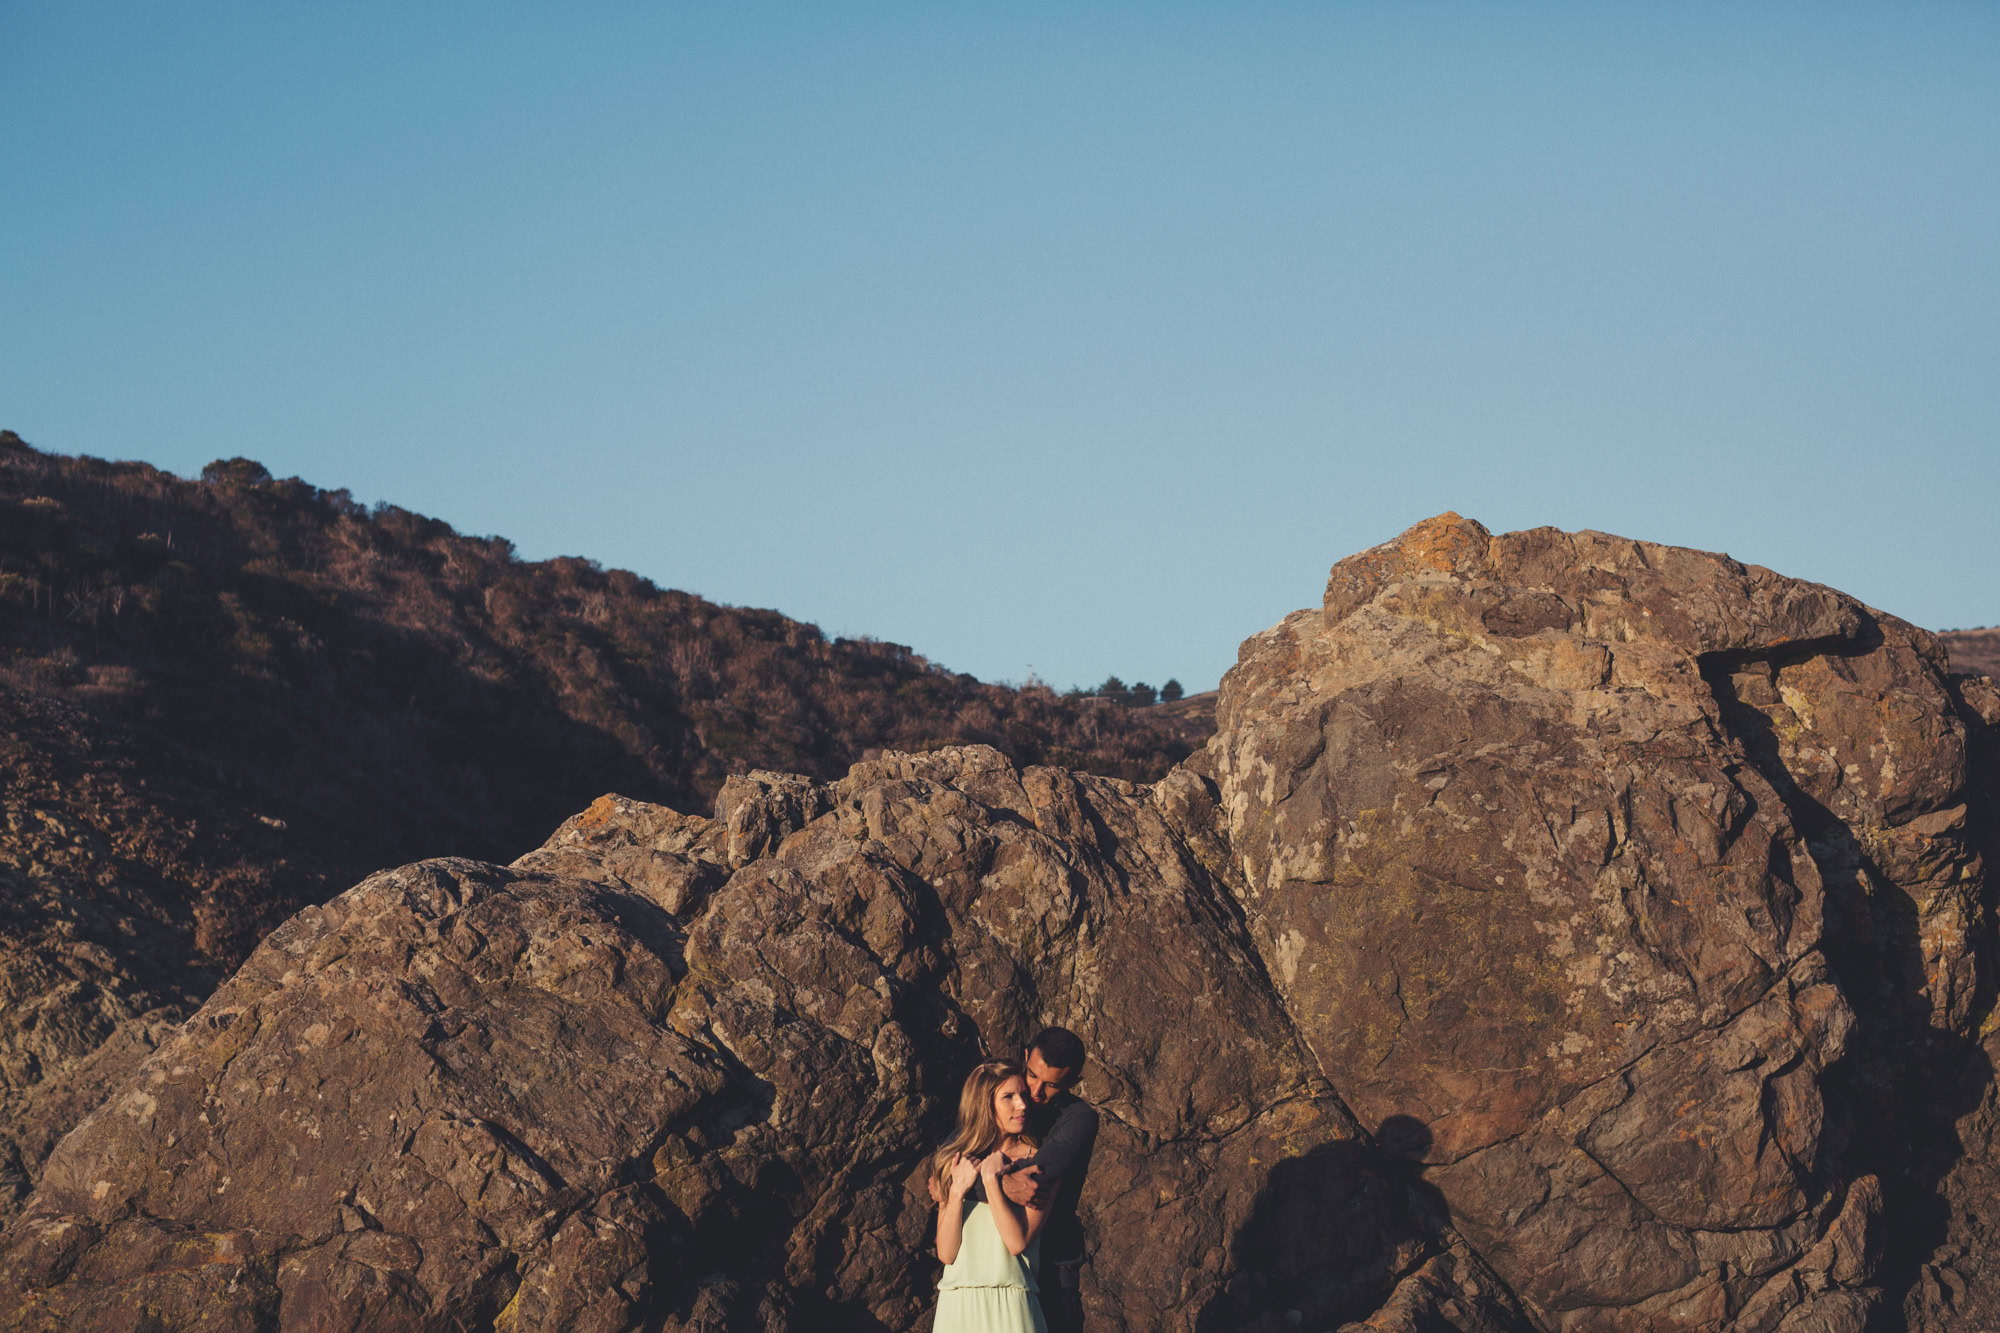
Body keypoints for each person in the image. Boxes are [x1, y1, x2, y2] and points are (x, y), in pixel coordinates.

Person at [931, 1059, 1050, 1333]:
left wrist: (990, 1180)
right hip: (957, 1305)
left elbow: (1016, 1243)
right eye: (1008, 1097)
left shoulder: (1037, 1160)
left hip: (1012, 1305)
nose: (1022, 1104)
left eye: (1022, 1095)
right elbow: (947, 1254)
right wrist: (958, 1190)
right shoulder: (954, 1162)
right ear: (984, 1105)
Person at [997, 1028, 1099, 1333]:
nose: (1035, 1092)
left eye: (1051, 1085)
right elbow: (950, 1159)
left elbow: (1038, 1176)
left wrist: (981, 1181)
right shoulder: (1002, 1095)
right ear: (1026, 1057)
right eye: (1032, 1075)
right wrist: (997, 1182)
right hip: (998, 1262)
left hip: (1054, 1267)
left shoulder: (1079, 1118)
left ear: (1073, 1083)